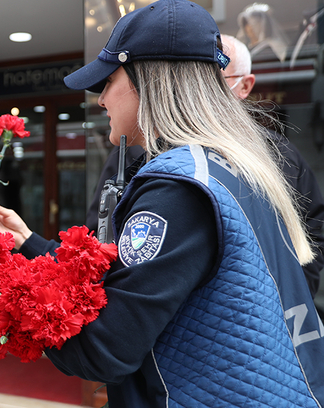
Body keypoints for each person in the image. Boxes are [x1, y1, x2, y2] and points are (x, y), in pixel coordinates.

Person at [0, 0, 324, 408]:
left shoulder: (178, 188)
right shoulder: (237, 166)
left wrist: (6, 289)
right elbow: (135, 279)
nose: (101, 98)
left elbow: (104, 350)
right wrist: (28, 242)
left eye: (109, 80)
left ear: (149, 81)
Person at [84, 34, 324, 296]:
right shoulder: (135, 151)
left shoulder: (275, 153)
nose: (206, 91)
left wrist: (293, 295)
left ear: (245, 87)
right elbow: (100, 234)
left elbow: (312, 232)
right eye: (198, 81)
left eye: (218, 81)